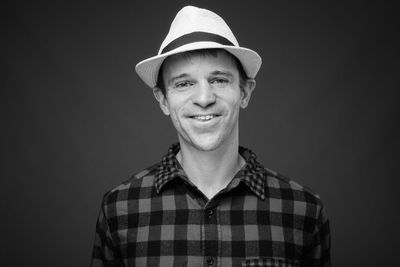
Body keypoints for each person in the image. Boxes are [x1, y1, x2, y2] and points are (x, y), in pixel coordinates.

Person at [91, 6, 331, 267]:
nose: (204, 98)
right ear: (162, 99)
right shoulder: (120, 209)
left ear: (245, 92)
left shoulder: (302, 210)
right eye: (184, 83)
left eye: (218, 80)